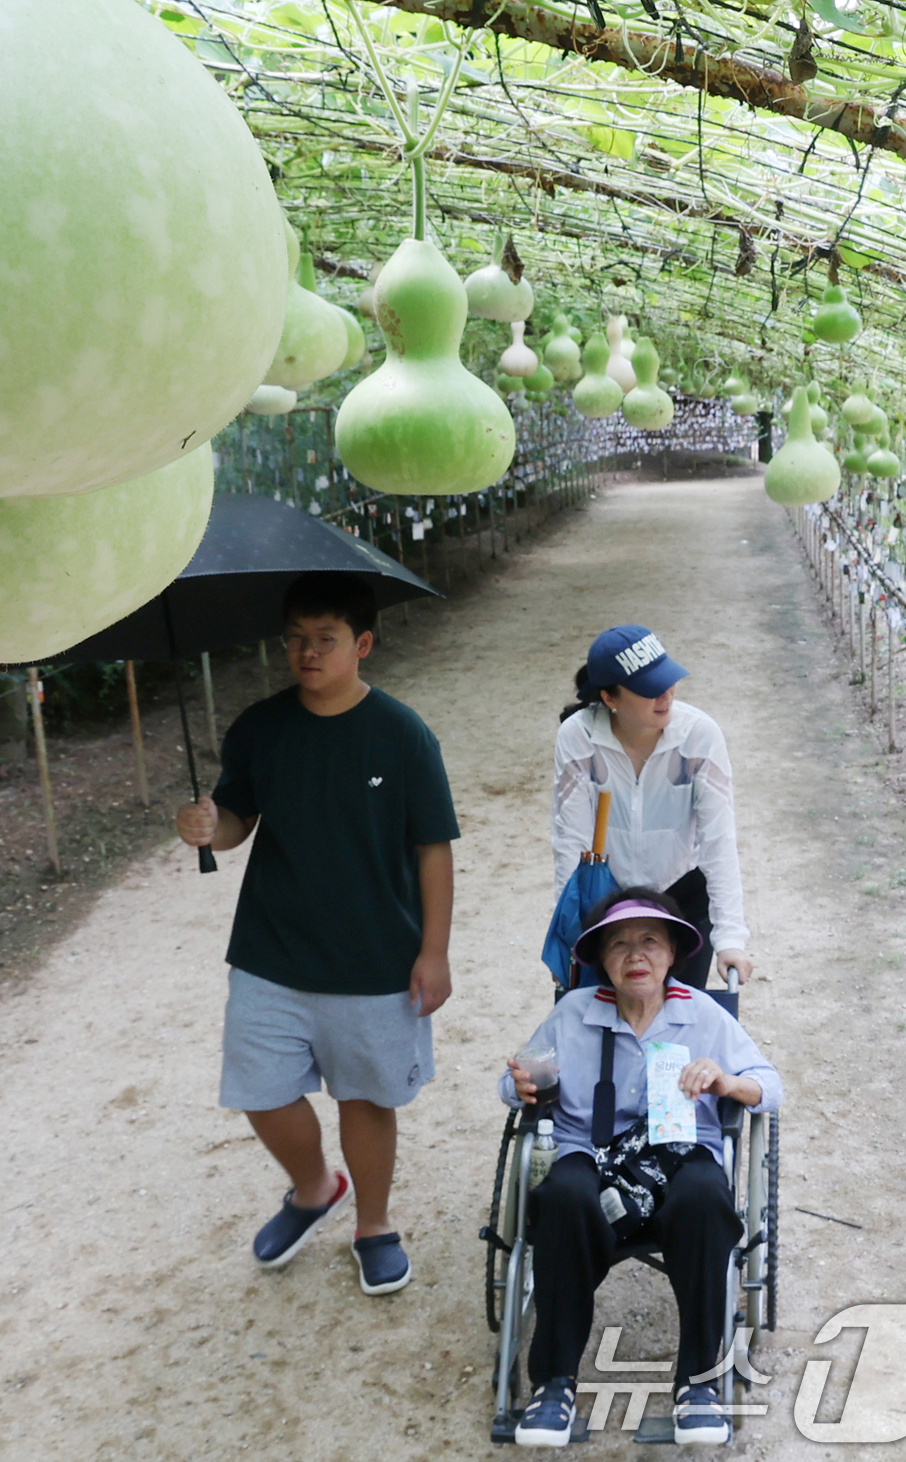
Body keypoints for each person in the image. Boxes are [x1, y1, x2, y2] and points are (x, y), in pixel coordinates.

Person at [175, 570, 458, 1296]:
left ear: (361, 644)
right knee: (260, 1089)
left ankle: (373, 1222)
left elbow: (433, 846)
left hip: (375, 955)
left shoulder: (402, 734)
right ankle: (311, 1187)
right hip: (272, 949)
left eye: (324, 640)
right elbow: (237, 822)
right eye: (295, 639)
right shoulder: (261, 728)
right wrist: (211, 825)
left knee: (366, 1098)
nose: (305, 653)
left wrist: (434, 949)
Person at [503, 887, 781, 1448]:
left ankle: (699, 1386)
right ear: (600, 958)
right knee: (561, 1196)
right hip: (592, 1157)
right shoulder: (573, 1013)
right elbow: (517, 1083)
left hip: (681, 1158)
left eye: (650, 942)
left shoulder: (701, 1014)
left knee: (706, 1197)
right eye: (619, 944)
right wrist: (520, 1086)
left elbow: (769, 1085)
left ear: (673, 952)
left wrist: (726, 1083)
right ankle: (553, 1385)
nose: (636, 955)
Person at [553, 625, 753, 990]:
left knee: (678, 1020)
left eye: (668, 679)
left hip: (682, 895)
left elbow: (719, 842)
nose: (666, 694)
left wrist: (730, 939)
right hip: (608, 900)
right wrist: (568, 938)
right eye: (648, 690)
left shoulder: (700, 736)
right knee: (609, 1020)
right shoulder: (578, 738)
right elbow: (570, 843)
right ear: (610, 698)